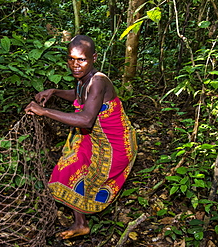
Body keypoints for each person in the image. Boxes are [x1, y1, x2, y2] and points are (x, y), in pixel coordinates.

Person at [24, 35, 137, 239]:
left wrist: (45, 112)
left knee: (87, 175)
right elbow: (79, 96)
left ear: (94, 58)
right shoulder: (83, 79)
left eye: (81, 60)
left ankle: (85, 219)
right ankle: (81, 224)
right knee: (70, 164)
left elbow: (86, 120)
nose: (75, 65)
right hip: (96, 138)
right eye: (71, 59)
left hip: (115, 145)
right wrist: (55, 91)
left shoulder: (98, 81)